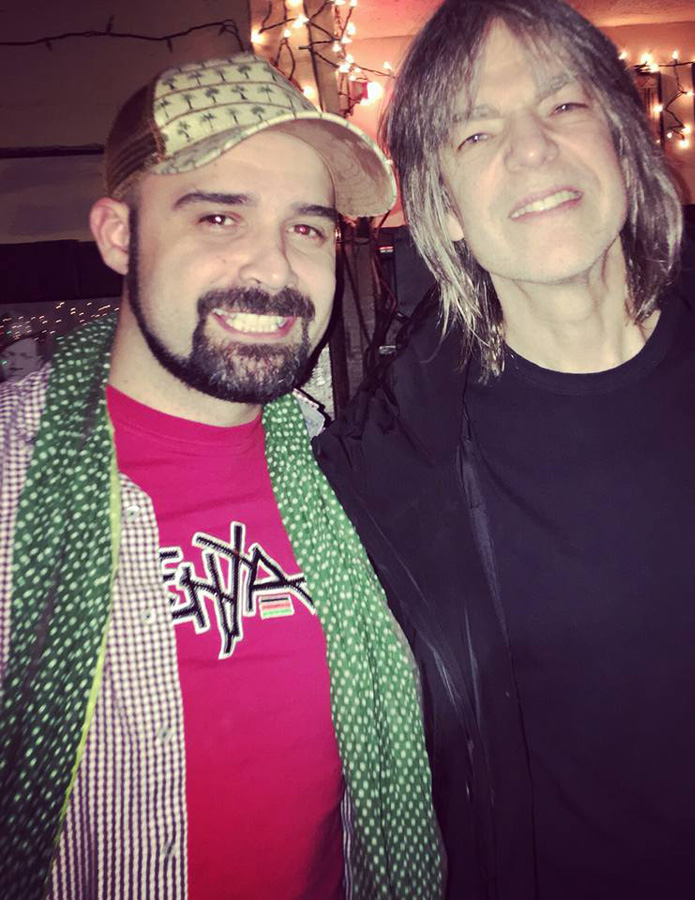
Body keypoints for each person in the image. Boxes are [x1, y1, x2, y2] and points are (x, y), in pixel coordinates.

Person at [314, 1, 695, 897]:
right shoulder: (382, 477)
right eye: (476, 133)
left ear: (624, 141)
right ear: (444, 207)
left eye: (564, 105)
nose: (533, 149)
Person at [0, 51, 442, 900]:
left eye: (307, 229)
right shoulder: (14, 487)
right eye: (217, 217)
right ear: (119, 235)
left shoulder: (348, 476)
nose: (274, 270)